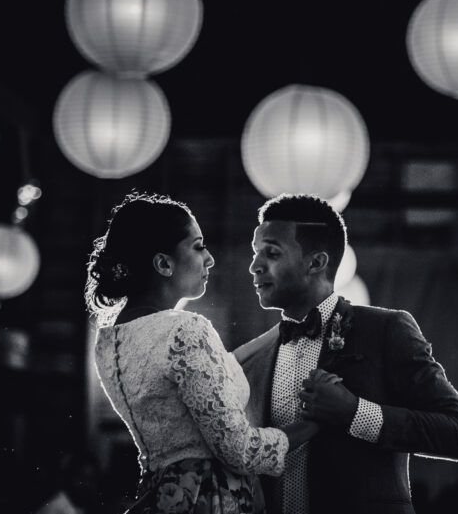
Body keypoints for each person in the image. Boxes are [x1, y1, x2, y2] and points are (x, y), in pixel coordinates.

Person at [87, 191, 333, 513]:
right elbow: (241, 450)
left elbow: (216, 371)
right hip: (210, 500)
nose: (210, 258)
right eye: (198, 246)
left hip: (162, 497)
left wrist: (282, 330)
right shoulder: (185, 330)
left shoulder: (111, 342)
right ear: (163, 263)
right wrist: (318, 419)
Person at [233, 193, 458, 513]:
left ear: (316, 262)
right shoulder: (251, 358)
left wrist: (355, 412)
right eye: (256, 253)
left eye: (272, 253)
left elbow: (457, 434)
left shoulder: (386, 330)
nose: (255, 266)